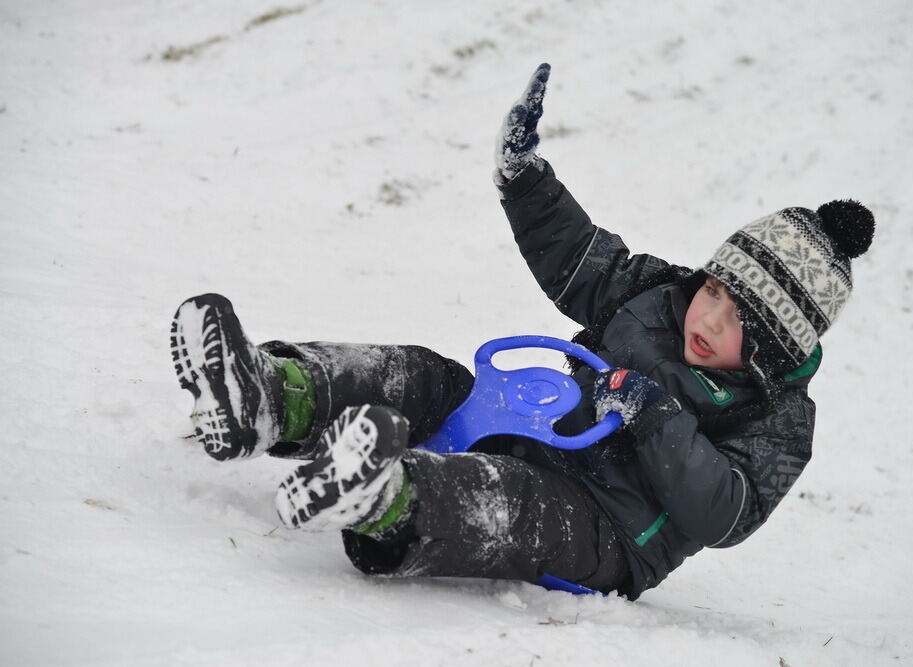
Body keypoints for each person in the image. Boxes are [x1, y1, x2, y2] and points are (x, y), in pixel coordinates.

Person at [169, 63, 875, 600]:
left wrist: (657, 417)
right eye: (715, 289)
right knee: (431, 377)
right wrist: (526, 181)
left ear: (773, 352)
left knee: (511, 501)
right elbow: (579, 257)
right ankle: (270, 394)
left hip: (607, 530)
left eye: (738, 324)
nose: (709, 317)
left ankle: (386, 497)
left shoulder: (778, 420)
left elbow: (726, 512)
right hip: (541, 425)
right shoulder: (659, 292)